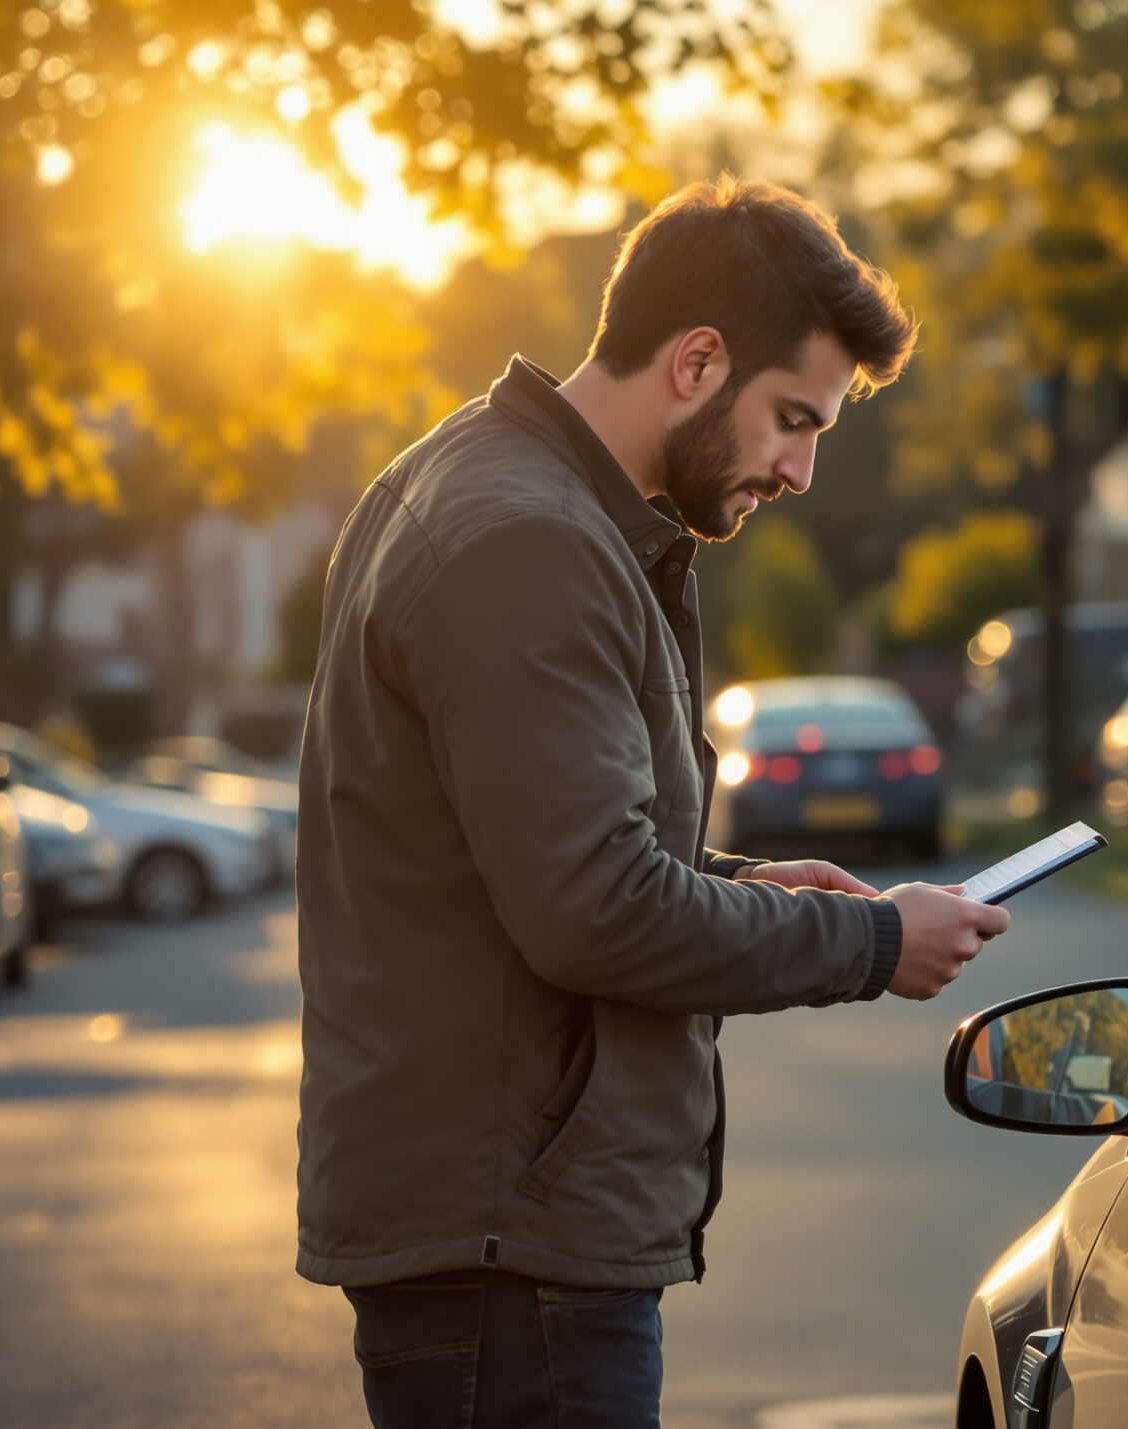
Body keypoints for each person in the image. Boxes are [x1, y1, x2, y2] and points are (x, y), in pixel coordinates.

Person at [292, 175, 1012, 1429]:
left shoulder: (490, 486)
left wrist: (738, 883)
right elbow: (591, 912)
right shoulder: (529, 537)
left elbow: (529, 852)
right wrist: (875, 943)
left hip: (502, 1239)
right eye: (794, 419)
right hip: (511, 1255)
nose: (797, 469)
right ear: (695, 361)